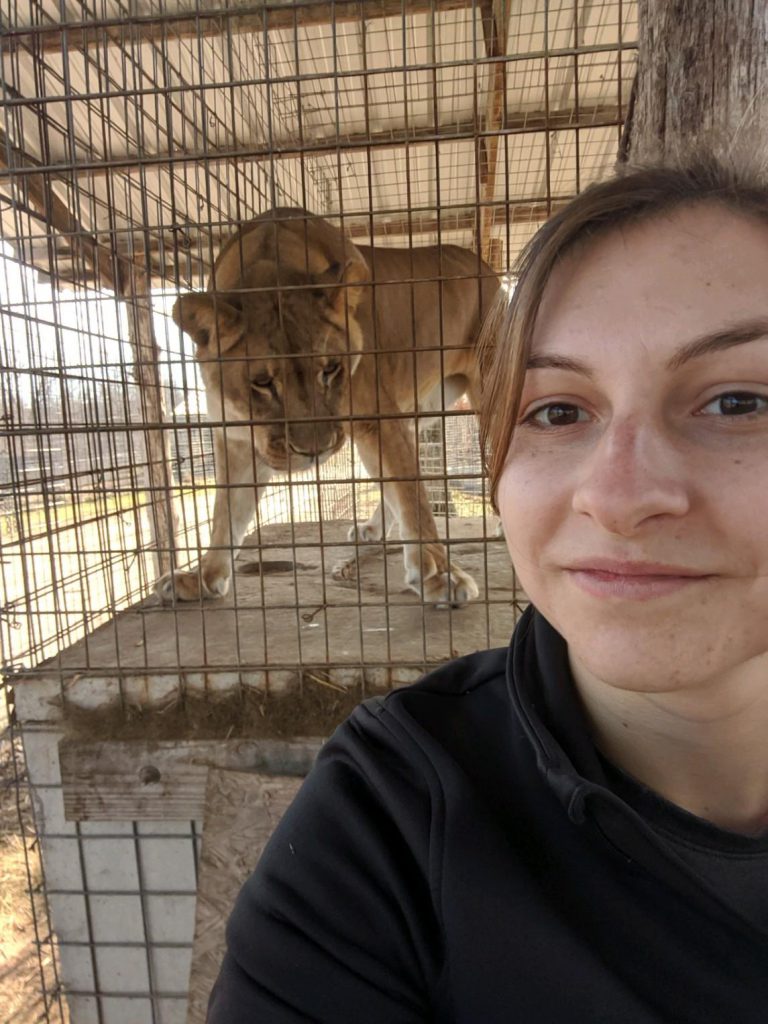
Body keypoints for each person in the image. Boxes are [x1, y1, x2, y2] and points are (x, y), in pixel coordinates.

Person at [207, 154, 768, 1023]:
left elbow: (379, 425)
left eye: (736, 402)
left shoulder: (361, 305)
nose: (617, 499)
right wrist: (216, 554)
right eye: (556, 410)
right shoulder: (386, 816)